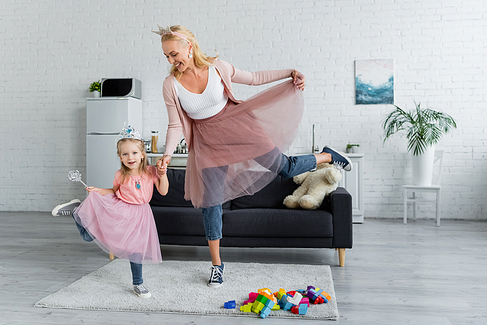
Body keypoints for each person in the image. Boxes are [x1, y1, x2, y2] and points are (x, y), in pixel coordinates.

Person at [153, 25, 351, 288]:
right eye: (166, 56)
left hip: (238, 127)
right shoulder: (171, 85)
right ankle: (216, 265)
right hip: (207, 144)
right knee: (211, 204)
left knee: (284, 167)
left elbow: (255, 77)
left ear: (190, 47)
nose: (171, 61)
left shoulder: (217, 68)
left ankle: (326, 156)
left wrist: (289, 72)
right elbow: (175, 124)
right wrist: (167, 155)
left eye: (173, 53)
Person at [51, 125, 169, 298]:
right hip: (119, 210)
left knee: (136, 250)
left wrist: (163, 174)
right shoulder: (120, 174)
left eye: (134, 153)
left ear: (142, 154)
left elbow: (164, 191)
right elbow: (114, 191)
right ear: (120, 157)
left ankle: (138, 283)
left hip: (141, 215)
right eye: (125, 154)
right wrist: (98, 190)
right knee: (87, 236)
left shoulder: (151, 172)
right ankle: (77, 210)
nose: (131, 157)